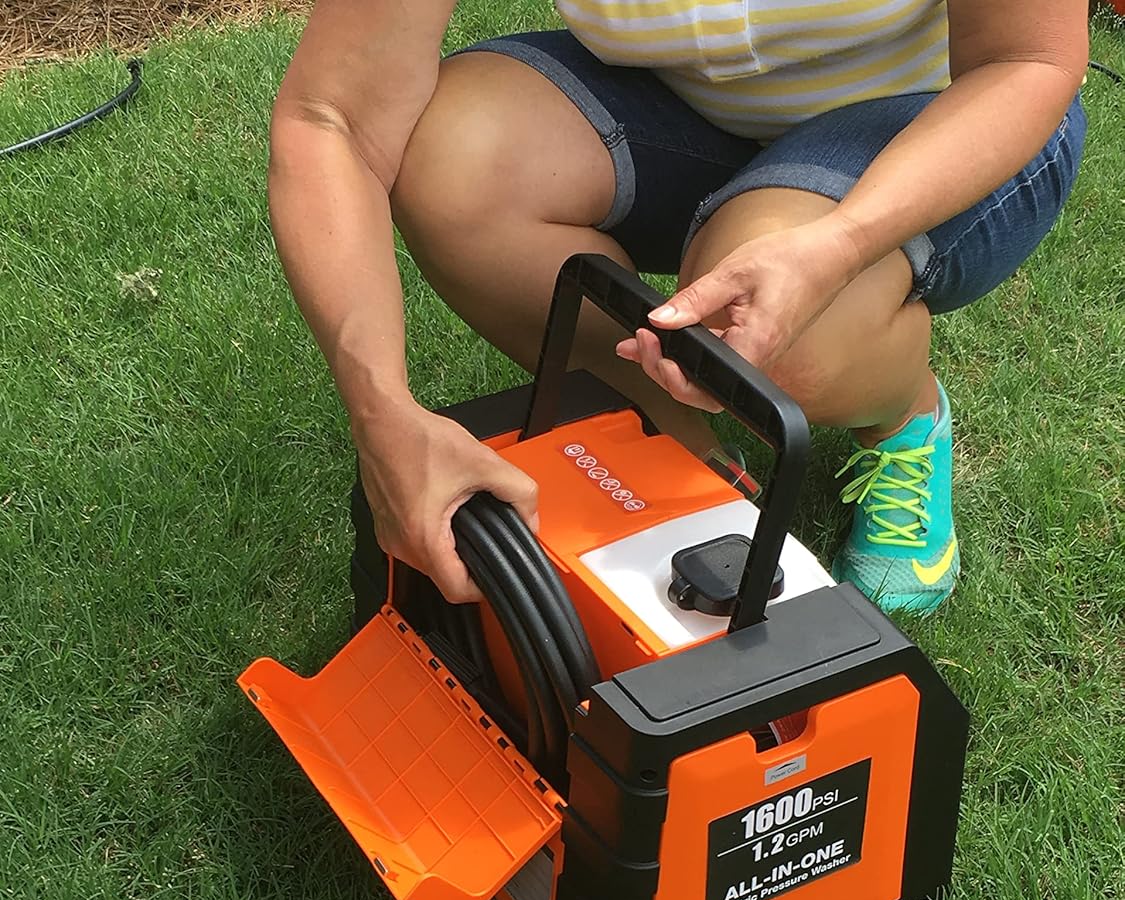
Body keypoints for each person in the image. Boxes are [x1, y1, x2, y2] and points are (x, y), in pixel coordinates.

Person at [267, 0, 1088, 614]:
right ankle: (682, 454)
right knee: (454, 162)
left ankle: (902, 412)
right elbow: (332, 114)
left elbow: (1026, 59)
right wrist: (382, 413)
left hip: (937, 115)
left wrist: (837, 245)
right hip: (685, 104)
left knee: (779, 343)